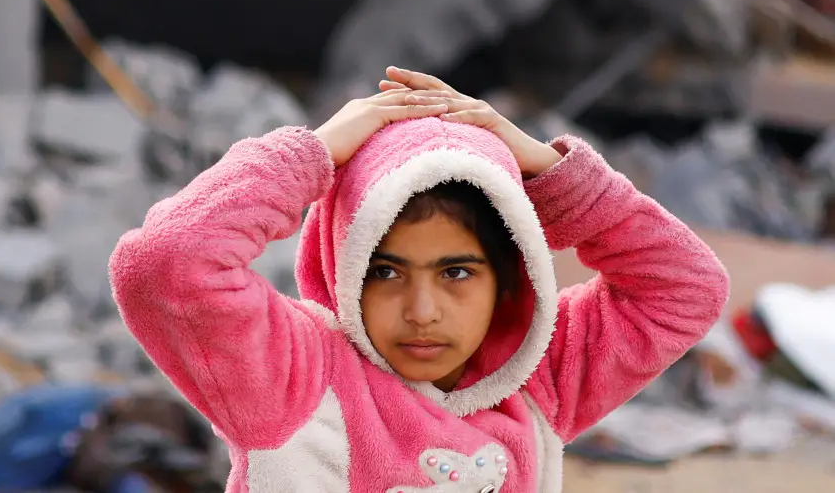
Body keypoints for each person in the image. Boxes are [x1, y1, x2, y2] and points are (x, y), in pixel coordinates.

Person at [109, 66, 729, 493]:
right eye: (386, 272)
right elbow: (165, 262)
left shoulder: (538, 381)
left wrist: (546, 169)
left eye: (457, 272)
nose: (422, 310)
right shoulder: (296, 376)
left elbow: (686, 286)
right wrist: (311, 155)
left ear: (511, 277)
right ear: (344, 266)